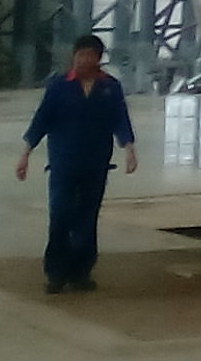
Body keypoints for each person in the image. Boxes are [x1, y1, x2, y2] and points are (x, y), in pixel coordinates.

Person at [17, 33, 137, 294]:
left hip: (96, 164)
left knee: (86, 218)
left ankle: (81, 272)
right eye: (80, 55)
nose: (83, 60)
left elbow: (120, 119)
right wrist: (26, 153)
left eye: (89, 55)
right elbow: (41, 120)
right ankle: (56, 273)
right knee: (60, 215)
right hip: (63, 163)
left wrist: (129, 149)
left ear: (98, 58)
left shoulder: (110, 88)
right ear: (74, 56)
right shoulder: (59, 86)